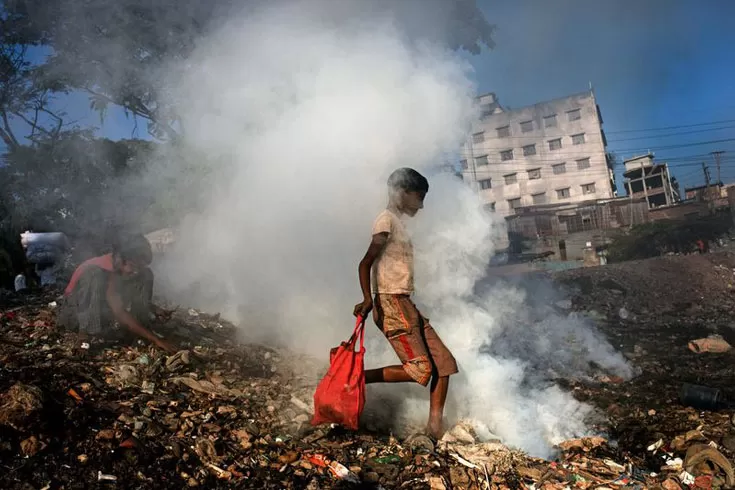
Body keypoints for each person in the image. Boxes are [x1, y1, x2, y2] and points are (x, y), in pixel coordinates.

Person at [353, 167, 458, 438]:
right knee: (421, 370)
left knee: (444, 362)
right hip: (391, 303)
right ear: (402, 192)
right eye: (419, 197)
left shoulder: (398, 223)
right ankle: (357, 378)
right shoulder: (385, 221)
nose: (421, 205)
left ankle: (435, 427)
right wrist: (368, 299)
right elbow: (365, 263)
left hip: (404, 302)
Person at [58, 234, 176, 354]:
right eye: (133, 266)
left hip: (103, 311)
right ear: (120, 259)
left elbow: (118, 298)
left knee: (146, 274)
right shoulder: (98, 270)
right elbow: (119, 312)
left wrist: (152, 308)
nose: (136, 271)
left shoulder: (122, 268)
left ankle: (141, 323)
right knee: (94, 276)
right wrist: (156, 340)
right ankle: (84, 337)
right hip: (74, 315)